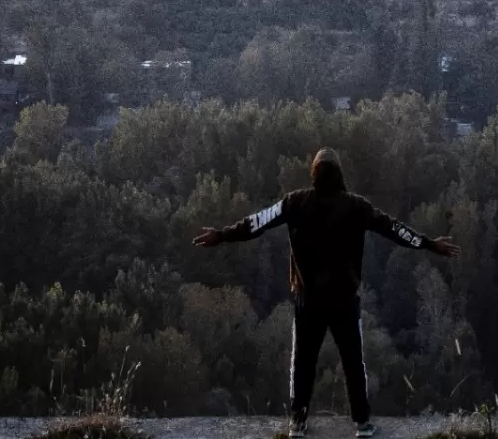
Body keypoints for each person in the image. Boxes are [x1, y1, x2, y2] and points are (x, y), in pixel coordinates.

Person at [193, 146, 460, 438]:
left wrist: (220, 235)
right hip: (344, 301)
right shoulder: (356, 206)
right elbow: (394, 229)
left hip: (308, 302)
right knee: (353, 361)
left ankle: (298, 421)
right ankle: (362, 423)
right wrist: (430, 244)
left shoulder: (295, 203)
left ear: (313, 174)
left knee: (303, 362)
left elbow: (255, 223)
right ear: (340, 174)